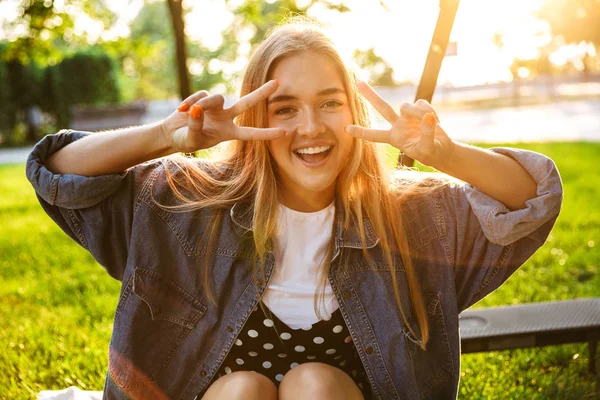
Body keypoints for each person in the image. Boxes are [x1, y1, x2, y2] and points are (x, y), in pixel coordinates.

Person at [26, 20, 563, 400]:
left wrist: (443, 154)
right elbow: (57, 174)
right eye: (286, 109)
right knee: (241, 390)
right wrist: (168, 134)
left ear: (353, 109)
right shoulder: (185, 203)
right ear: (255, 116)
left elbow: (533, 199)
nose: (310, 128)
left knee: (316, 384)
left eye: (330, 102)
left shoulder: (412, 216)